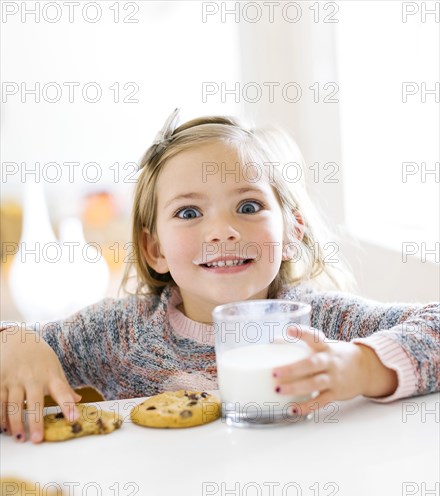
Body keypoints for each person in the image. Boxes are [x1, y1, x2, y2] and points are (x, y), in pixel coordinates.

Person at [1, 109, 439, 444]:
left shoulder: (321, 325)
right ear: (155, 249)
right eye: (189, 213)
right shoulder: (120, 333)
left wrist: (362, 366)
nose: (222, 230)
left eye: (248, 207)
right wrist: (14, 341)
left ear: (291, 232)